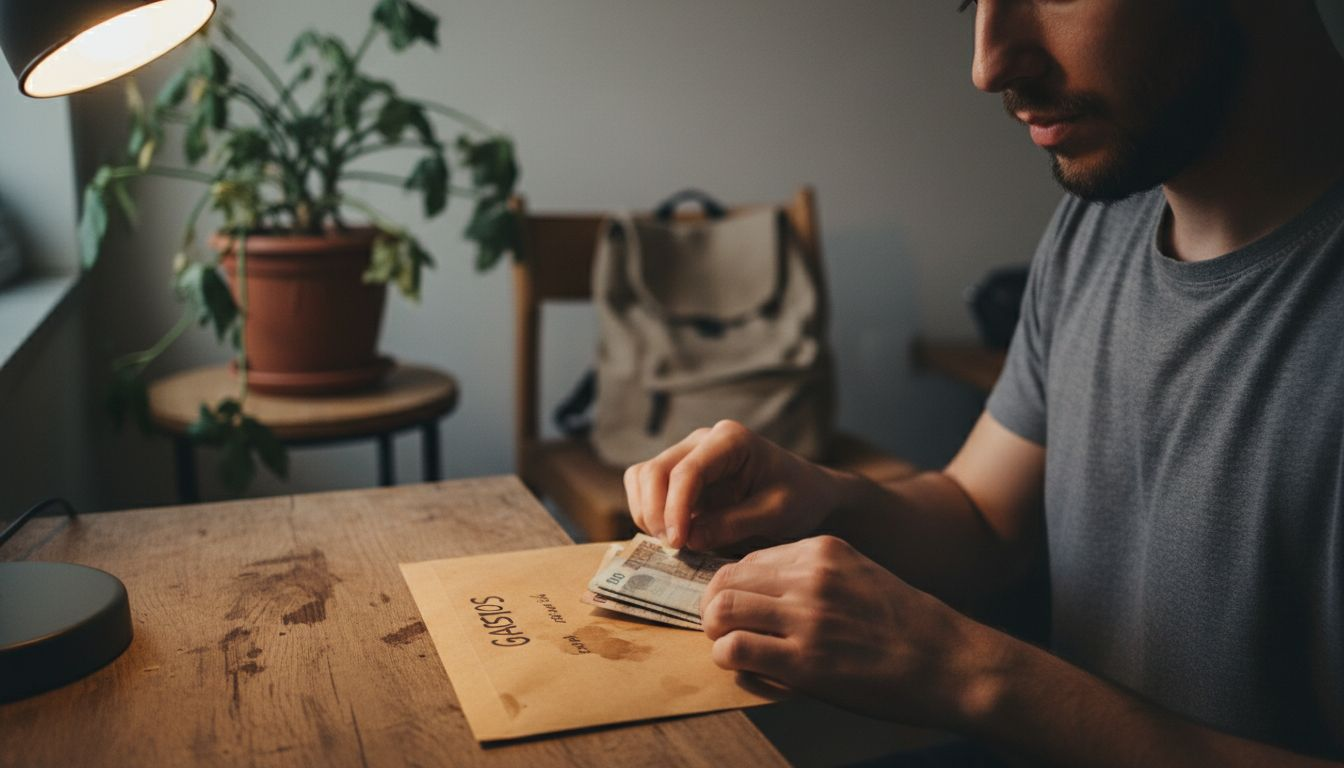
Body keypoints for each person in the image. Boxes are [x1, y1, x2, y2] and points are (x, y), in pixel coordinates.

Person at [622, 1, 1344, 765]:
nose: (988, 64)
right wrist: (826, 499)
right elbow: (983, 518)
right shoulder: (1101, 222)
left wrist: (969, 676)